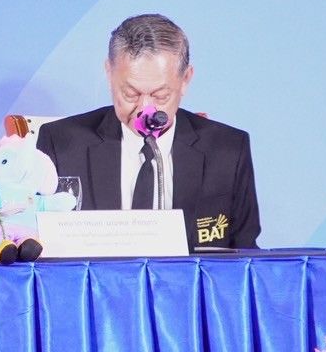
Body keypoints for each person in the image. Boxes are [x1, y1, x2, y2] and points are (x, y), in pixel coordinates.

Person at [36, 13, 259, 249]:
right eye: (130, 94)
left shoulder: (228, 150)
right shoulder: (61, 143)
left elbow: (245, 253)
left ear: (185, 79)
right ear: (109, 72)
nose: (145, 109)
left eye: (160, 95)